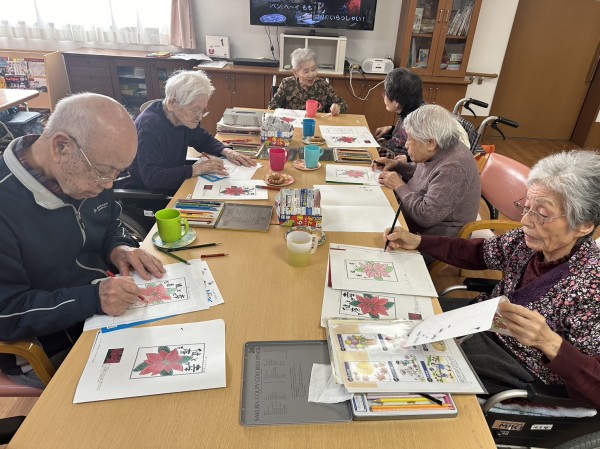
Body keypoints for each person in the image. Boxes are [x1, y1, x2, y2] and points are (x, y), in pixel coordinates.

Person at [384, 150, 600, 407]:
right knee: (398, 317)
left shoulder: (592, 285)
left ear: (584, 224)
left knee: (404, 372)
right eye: (526, 207)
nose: (525, 221)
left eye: (542, 214)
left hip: (518, 366)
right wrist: (419, 241)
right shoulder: (529, 241)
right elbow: (479, 252)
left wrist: (549, 342)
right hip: (479, 322)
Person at [0, 93, 166, 388]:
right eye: (103, 172)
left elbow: (112, 222)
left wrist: (118, 247)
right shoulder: (6, 205)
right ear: (61, 147)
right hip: (51, 339)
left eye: (118, 172)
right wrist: (93, 298)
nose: (109, 184)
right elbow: (7, 314)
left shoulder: (89, 171)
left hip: (105, 306)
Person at [118, 70, 256, 197]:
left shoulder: (180, 117)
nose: (199, 117)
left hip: (175, 183)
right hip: (151, 196)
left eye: (202, 110)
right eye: (195, 109)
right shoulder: (149, 126)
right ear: (172, 102)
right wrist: (194, 170)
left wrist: (227, 151)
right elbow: (152, 178)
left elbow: (202, 139)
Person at [377, 105, 481, 243]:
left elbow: (425, 216)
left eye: (410, 139)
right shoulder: (440, 147)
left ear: (431, 142)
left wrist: (399, 185)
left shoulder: (453, 168)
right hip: (411, 222)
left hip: (435, 240)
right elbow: (425, 173)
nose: (406, 145)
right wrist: (397, 166)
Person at [373, 67, 473, 161]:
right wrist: (392, 129)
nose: (384, 96)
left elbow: (431, 151)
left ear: (397, 101)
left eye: (386, 93)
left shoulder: (420, 119)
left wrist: (407, 159)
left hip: (406, 160)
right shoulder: (413, 108)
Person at [268, 48, 348, 116]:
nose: (311, 74)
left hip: (316, 124)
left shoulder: (322, 85)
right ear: (296, 72)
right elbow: (272, 106)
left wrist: (337, 108)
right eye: (306, 71)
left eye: (313, 69)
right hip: (293, 124)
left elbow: (343, 104)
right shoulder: (287, 83)